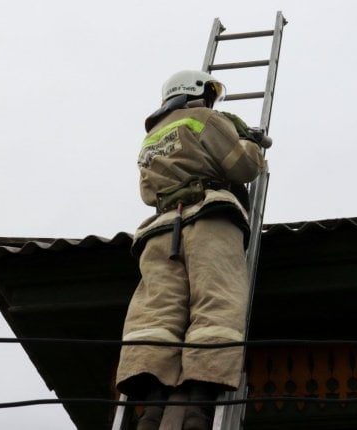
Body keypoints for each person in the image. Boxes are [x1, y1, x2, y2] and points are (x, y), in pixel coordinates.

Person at [116, 70, 268, 430]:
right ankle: (198, 408)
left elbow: (147, 192)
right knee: (216, 303)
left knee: (156, 314)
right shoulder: (204, 118)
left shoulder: (150, 137)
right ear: (199, 93)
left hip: (161, 229)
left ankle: (151, 411)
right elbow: (243, 166)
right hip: (209, 218)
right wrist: (247, 140)